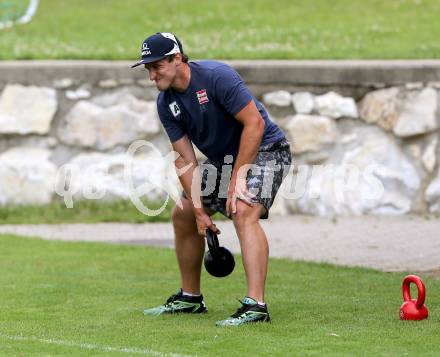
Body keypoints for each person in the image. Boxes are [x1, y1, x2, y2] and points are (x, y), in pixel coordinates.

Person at [131, 32, 292, 326]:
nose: (152, 75)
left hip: (267, 150)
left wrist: (238, 178)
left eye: (157, 66)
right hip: (222, 162)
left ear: (177, 58)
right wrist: (201, 211)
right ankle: (191, 298)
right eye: (148, 69)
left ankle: (256, 305)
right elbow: (185, 160)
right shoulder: (166, 103)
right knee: (184, 213)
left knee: (243, 208)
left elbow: (254, 124)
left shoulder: (218, 77)